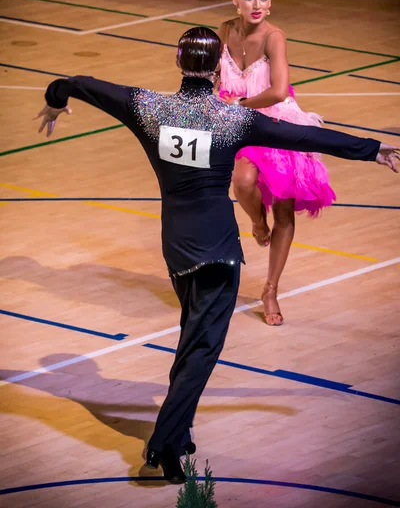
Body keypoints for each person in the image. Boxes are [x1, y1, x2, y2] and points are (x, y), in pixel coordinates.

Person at [36, 27, 398, 484]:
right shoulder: (234, 119)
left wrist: (54, 98)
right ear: (217, 67)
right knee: (203, 348)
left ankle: (179, 432)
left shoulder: (146, 107)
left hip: (176, 246)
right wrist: (373, 150)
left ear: (177, 62)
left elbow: (79, 83)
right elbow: (308, 139)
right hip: (218, 250)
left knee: (193, 339)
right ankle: (164, 446)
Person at [217, 0, 335, 325]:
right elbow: (211, 77)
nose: (258, 4)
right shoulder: (224, 31)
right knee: (243, 181)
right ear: (235, 0)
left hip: (276, 122)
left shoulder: (274, 37)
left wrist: (236, 106)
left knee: (284, 208)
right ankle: (256, 221)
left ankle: (270, 289)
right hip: (237, 122)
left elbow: (279, 91)